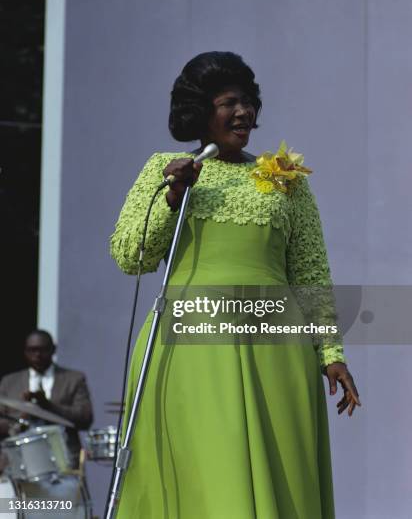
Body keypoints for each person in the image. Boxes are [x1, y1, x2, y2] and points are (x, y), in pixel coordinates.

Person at [110, 51, 361, 518]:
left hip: (275, 351)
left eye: (248, 101)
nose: (244, 111)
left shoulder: (286, 179)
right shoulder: (165, 169)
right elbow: (131, 256)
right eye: (229, 102)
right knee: (205, 478)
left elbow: (310, 271)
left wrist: (331, 352)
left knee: (282, 475)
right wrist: (172, 196)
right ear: (200, 112)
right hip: (190, 351)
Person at [0, 329, 93, 468]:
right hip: (18, 462)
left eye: (43, 350)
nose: (37, 355)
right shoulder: (9, 382)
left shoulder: (73, 379)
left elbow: (85, 419)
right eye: (32, 350)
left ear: (53, 350)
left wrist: (48, 406)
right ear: (25, 352)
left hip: (63, 462)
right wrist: (23, 417)